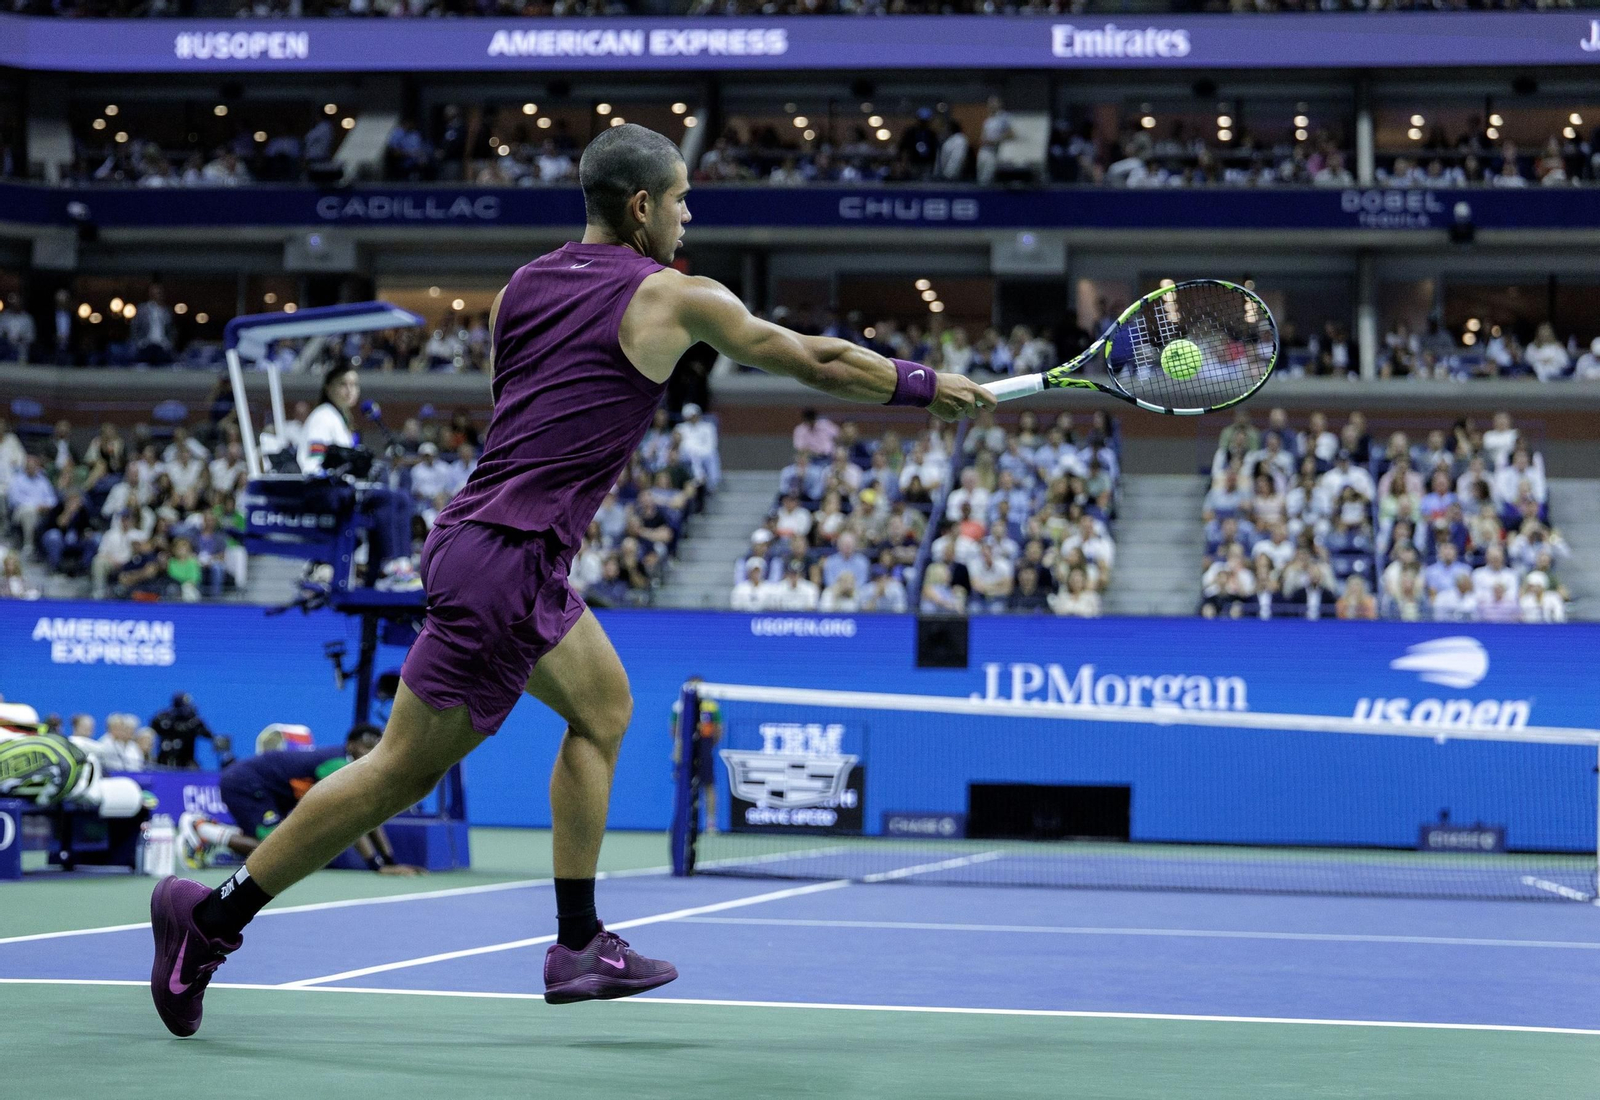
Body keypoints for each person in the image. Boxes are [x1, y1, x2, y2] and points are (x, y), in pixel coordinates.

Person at [147, 122, 994, 1036]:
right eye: (679, 200)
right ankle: (212, 919)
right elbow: (814, 359)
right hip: (507, 559)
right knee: (396, 774)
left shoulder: (523, 286)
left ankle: (578, 943)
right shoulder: (671, 297)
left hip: (501, 548)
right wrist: (923, 383)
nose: (687, 215)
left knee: (604, 708)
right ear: (641, 207)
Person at [180, 725, 423, 875]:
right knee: (278, 849)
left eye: (376, 747)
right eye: (366, 747)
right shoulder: (339, 765)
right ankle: (203, 830)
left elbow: (369, 818)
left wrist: (390, 862)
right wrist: (377, 867)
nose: (371, 753)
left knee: (281, 846)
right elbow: (350, 817)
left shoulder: (354, 765)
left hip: (272, 791)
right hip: (246, 783)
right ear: (351, 745)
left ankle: (212, 832)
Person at [298, 364, 418, 590]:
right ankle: (390, 567)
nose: (350, 390)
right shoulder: (323, 416)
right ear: (328, 388)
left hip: (344, 490)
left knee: (399, 498)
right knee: (389, 499)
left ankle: (401, 563)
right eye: (343, 384)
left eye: (354, 385)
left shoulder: (340, 419)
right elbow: (314, 463)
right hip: (326, 493)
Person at [668, 677, 722, 836]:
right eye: (693, 685)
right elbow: (674, 730)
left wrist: (707, 747)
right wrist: (682, 748)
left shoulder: (712, 706)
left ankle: (711, 824)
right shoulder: (679, 706)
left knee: (708, 786)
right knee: (682, 786)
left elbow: (718, 730)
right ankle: (679, 822)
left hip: (705, 751)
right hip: (684, 751)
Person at [151, 692, 218, 769]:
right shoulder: (163, 718)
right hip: (164, 759)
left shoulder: (193, 721)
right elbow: (151, 730)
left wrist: (192, 725)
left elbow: (209, 735)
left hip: (186, 761)